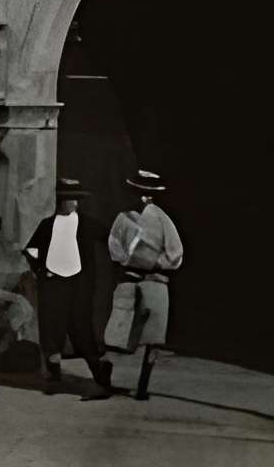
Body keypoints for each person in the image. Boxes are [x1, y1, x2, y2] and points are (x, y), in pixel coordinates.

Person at [23, 178, 114, 399]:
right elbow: (31, 250)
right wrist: (42, 271)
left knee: (82, 331)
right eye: (67, 199)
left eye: (75, 199)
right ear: (59, 202)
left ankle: (101, 375)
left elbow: (112, 239)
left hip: (78, 287)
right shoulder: (46, 225)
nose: (72, 203)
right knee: (52, 331)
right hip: (53, 286)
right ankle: (55, 379)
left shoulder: (88, 224)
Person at [106, 168, 183, 401]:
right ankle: (106, 380)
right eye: (137, 192)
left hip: (155, 282)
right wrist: (128, 261)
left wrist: (152, 263)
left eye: (145, 194)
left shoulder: (162, 220)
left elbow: (175, 253)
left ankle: (143, 386)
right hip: (129, 279)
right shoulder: (123, 218)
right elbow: (114, 245)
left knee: (153, 339)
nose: (140, 198)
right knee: (118, 332)